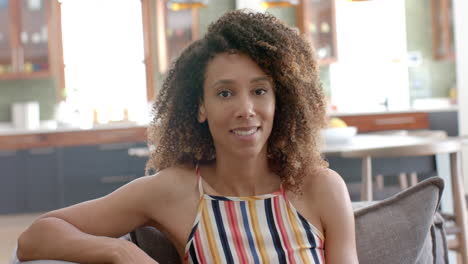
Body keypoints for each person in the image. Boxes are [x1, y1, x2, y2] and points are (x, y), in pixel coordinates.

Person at [17, 10, 358, 264]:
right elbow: (36, 236)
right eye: (225, 94)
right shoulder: (173, 191)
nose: (246, 109)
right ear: (200, 108)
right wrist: (118, 251)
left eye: (259, 90)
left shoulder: (321, 188)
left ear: (278, 100)